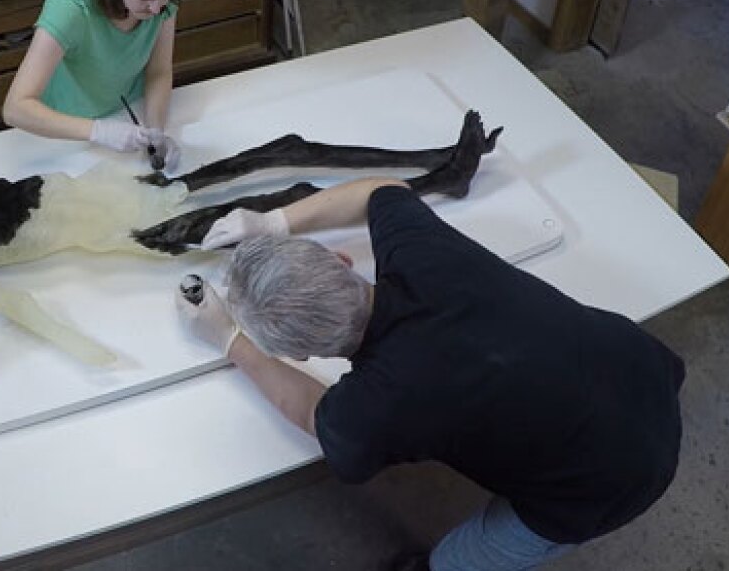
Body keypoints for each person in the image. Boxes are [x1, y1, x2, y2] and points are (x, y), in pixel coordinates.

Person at [176, 177, 686, 571]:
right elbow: (383, 190)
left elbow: (314, 413)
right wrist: (274, 224)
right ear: (341, 258)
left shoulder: (373, 409)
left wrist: (230, 341)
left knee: (459, 562)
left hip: (613, 481)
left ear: (303, 355)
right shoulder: (421, 254)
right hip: (644, 366)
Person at [3, 0, 186, 171]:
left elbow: (158, 71)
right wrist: (99, 132)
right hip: (64, 129)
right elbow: (15, 109)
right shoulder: (71, 4)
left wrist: (156, 129)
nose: (157, 9)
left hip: (127, 112)